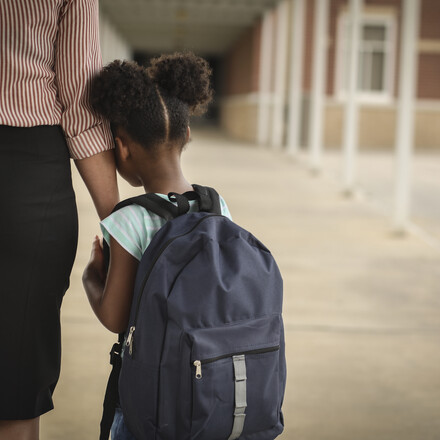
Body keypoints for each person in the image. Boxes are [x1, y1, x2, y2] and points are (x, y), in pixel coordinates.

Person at [82, 52, 232, 439]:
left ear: (123, 148)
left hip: (150, 404)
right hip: (213, 393)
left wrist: (91, 277)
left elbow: (115, 317)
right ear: (186, 136)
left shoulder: (130, 220)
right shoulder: (217, 206)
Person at [0, 1, 119, 439]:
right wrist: (120, 230)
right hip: (27, 178)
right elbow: (81, 100)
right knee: (13, 388)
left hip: (28, 177)